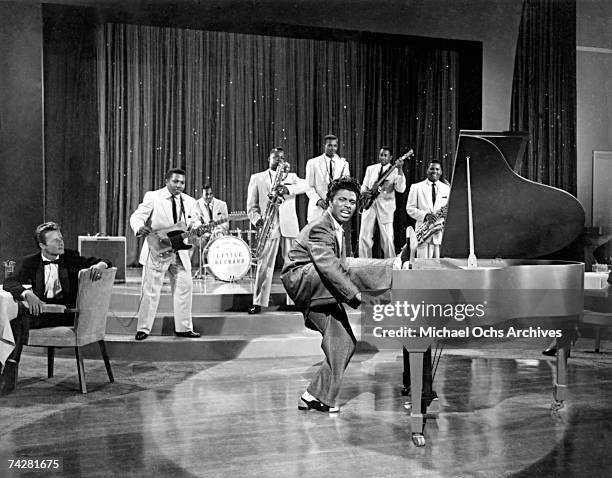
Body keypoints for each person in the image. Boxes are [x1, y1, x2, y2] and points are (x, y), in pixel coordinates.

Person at [281, 176, 364, 413]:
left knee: (345, 342)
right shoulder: (321, 226)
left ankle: (313, 396)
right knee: (356, 271)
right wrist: (355, 295)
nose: (348, 205)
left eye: (352, 201)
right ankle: (394, 268)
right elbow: (327, 265)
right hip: (308, 283)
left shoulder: (337, 229)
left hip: (320, 286)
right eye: (342, 200)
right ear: (330, 201)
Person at [0, 222, 111, 395]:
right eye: (55, 240)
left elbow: (105, 261)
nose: (61, 243)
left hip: (68, 314)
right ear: (42, 245)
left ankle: (9, 373)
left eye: (61, 238)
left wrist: (100, 265)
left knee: (18, 319)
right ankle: (8, 369)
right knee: (15, 316)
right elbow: (9, 282)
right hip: (43, 313)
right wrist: (27, 294)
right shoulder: (31, 262)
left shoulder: (71, 257)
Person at [129, 168, 201, 341]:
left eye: (182, 182)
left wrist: (197, 227)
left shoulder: (190, 201)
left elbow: (195, 220)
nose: (179, 185)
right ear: (167, 181)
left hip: (180, 252)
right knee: (151, 290)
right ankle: (144, 329)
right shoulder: (153, 197)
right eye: (175, 181)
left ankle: (183, 328)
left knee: (185, 287)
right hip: (158, 250)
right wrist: (139, 227)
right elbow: (137, 216)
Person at [247, 147, 308, 314]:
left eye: (281, 158)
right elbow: (251, 207)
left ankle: (294, 301)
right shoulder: (257, 178)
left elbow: (308, 184)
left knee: (293, 265)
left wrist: (288, 189)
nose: (278, 161)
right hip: (269, 225)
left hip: (289, 226)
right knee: (264, 264)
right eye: (275, 158)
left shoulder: (292, 177)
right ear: (269, 158)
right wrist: (257, 220)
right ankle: (258, 302)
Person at [358, 146, 406, 258]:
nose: (382, 157)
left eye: (385, 155)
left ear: (391, 157)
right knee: (364, 236)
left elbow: (401, 189)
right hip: (369, 205)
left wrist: (400, 169)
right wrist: (364, 192)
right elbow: (364, 185)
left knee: (388, 238)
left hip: (386, 208)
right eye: (381, 155)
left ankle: (390, 264)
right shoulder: (371, 169)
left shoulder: (395, 171)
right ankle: (364, 263)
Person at [406, 160, 450, 259]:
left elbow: (450, 209)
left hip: (439, 235)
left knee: (439, 268)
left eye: (437, 169)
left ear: (441, 172)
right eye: (432, 168)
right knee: (422, 268)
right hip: (423, 235)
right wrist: (425, 216)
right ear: (427, 170)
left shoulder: (447, 188)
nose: (434, 171)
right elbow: (409, 208)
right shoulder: (416, 187)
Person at [305, 134, 350, 223]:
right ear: (324, 146)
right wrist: (319, 200)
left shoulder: (343, 164)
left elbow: (345, 187)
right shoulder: (313, 163)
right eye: (329, 145)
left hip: (335, 209)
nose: (332, 148)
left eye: (335, 146)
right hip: (317, 210)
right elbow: (308, 186)